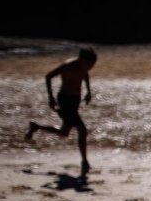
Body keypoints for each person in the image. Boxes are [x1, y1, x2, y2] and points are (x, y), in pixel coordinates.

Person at [25, 47, 97, 182]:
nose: (90, 67)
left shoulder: (84, 67)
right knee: (82, 129)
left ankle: (36, 127)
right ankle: (85, 162)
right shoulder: (67, 65)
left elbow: (85, 74)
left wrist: (88, 91)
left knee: (64, 133)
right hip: (65, 100)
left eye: (92, 66)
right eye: (88, 64)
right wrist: (50, 98)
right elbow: (48, 76)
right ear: (81, 59)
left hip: (74, 101)